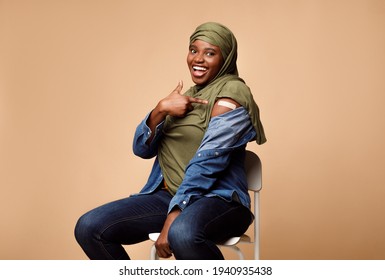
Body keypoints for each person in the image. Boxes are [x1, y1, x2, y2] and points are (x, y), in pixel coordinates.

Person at [74, 22, 266, 260]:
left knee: (182, 233)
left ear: (225, 58)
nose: (198, 59)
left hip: (220, 200)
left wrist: (175, 214)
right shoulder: (187, 97)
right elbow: (142, 149)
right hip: (169, 196)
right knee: (90, 227)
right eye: (193, 50)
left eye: (210, 53)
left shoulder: (233, 92)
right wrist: (160, 110)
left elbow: (209, 160)